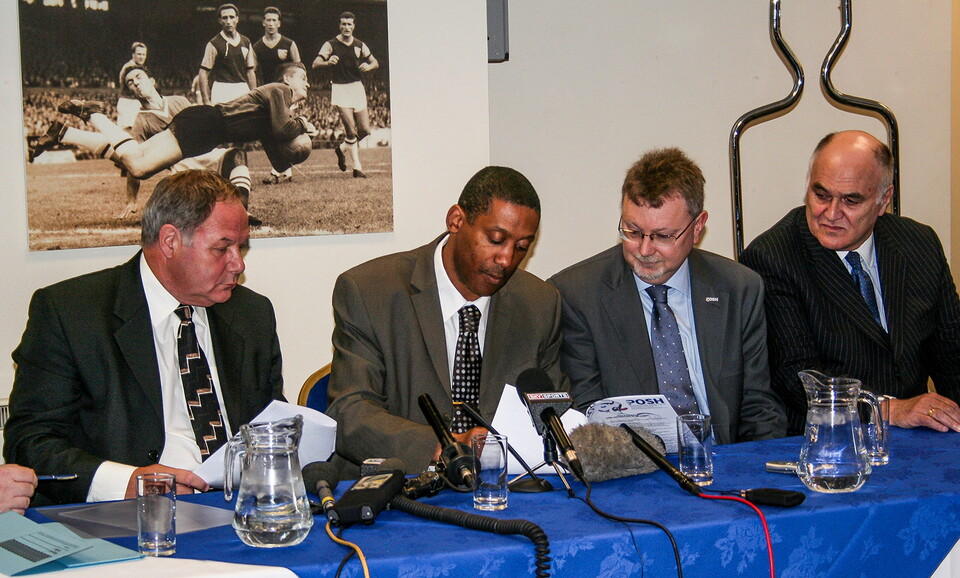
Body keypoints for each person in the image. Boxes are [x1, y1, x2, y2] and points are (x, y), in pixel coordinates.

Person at [4, 170, 285, 505]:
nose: (238, 264)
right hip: (125, 517)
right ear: (170, 242)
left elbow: (270, 425)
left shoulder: (251, 313)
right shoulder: (71, 312)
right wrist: (127, 482)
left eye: (241, 247)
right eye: (222, 248)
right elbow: (32, 441)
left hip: (238, 507)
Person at [327, 166, 567, 475]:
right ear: (456, 220)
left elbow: (552, 413)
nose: (507, 259)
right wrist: (445, 446)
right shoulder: (370, 292)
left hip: (505, 493)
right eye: (496, 239)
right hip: (402, 491)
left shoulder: (540, 303)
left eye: (522, 247)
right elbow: (350, 413)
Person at [549, 148, 785, 444]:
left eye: (663, 236)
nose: (645, 250)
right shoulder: (578, 295)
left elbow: (758, 407)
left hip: (724, 460)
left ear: (698, 227)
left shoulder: (738, 288)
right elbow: (587, 415)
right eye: (632, 231)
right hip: (632, 468)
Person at [740, 130, 960, 435]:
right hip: (828, 440)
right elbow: (796, 375)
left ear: (884, 200)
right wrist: (890, 409)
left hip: (918, 439)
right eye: (821, 195)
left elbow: (952, 353)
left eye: (851, 201)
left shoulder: (919, 243)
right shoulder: (773, 257)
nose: (830, 213)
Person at [30, 66, 255, 223]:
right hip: (184, 171)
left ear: (152, 81)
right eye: (130, 83)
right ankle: (73, 127)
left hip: (208, 155)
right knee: (130, 156)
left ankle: (241, 210)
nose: (136, 84)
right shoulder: (141, 121)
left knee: (237, 155)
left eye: (138, 78)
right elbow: (133, 161)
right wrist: (131, 199)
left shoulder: (180, 101)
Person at [48, 62, 316, 182]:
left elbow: (280, 161)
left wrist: (298, 148)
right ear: (288, 80)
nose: (306, 83)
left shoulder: (275, 109)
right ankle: (93, 114)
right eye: (302, 78)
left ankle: (77, 124)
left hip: (202, 124)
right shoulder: (279, 91)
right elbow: (284, 129)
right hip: (206, 125)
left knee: (138, 158)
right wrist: (302, 124)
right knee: (139, 167)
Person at [312, 11, 378, 179]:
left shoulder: (359, 45)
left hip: (357, 87)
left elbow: (375, 62)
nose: (346, 27)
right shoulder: (330, 44)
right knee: (351, 130)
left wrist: (368, 67)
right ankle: (357, 167)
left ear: (353, 26)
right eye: (343, 24)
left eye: (349, 24)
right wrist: (327, 62)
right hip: (340, 89)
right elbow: (315, 63)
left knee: (364, 130)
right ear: (339, 25)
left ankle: (341, 149)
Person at [253, 6, 302, 186]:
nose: (271, 23)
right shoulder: (257, 47)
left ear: (279, 23)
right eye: (268, 20)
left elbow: (299, 69)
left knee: (282, 132)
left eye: (274, 20)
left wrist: (299, 92)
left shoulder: (289, 44)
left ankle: (276, 172)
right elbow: (253, 71)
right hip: (268, 96)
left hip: (287, 94)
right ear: (263, 23)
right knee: (268, 133)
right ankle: (285, 171)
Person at [198, 3, 257, 105]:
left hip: (242, 88)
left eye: (231, 17)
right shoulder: (214, 44)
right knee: (222, 120)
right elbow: (203, 73)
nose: (228, 21)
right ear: (220, 21)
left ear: (237, 19)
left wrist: (255, 95)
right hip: (222, 88)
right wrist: (206, 100)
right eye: (225, 18)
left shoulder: (246, 42)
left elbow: (250, 72)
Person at [117, 42, 148, 128]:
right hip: (128, 103)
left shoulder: (139, 67)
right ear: (133, 54)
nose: (141, 57)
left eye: (144, 54)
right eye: (139, 54)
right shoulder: (129, 68)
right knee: (128, 133)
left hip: (134, 102)